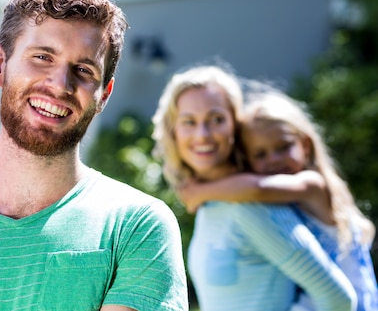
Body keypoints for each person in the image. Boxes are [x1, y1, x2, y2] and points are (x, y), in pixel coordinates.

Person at [0, 0, 189, 311]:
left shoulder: (135, 226)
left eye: (84, 70)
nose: (60, 85)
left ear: (103, 94)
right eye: (43, 57)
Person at [151, 64, 357, 311]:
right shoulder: (212, 202)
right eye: (188, 121)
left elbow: (338, 300)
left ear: (235, 127)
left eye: (216, 119)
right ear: (173, 132)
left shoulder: (251, 206)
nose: (203, 134)